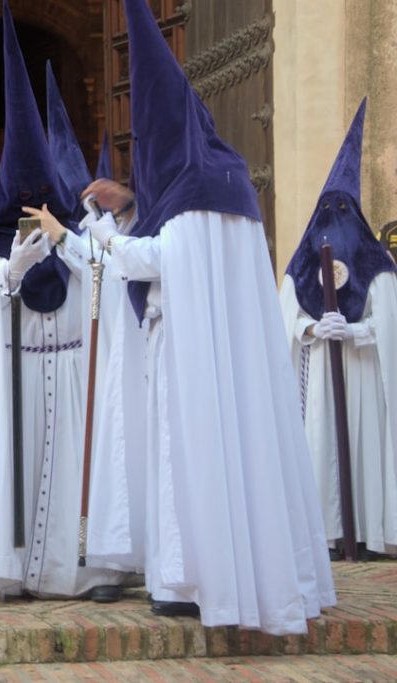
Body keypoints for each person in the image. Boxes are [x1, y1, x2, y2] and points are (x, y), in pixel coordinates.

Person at [50, 0, 335, 632]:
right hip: (222, 353)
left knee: (189, 455)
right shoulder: (225, 177)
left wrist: (97, 233)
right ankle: (235, 566)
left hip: (186, 354)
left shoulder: (192, 196)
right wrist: (127, 201)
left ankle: (192, 579)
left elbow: (155, 259)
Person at [0, 1, 133, 601]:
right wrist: (12, 268)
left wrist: (68, 245)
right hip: (19, 378)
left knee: (72, 478)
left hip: (73, 365)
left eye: (44, 200)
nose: (34, 208)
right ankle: (12, 567)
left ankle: (86, 568)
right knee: (23, 472)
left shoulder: (75, 234)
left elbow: (104, 277)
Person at [279, 98, 397, 559]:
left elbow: (389, 321)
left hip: (363, 373)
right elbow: (285, 316)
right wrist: (312, 330)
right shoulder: (303, 261)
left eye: (343, 207)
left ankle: (365, 532)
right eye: (329, 206)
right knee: (320, 444)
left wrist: (357, 333)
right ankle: (326, 533)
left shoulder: (374, 262)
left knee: (363, 449)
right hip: (320, 377)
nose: (335, 215)